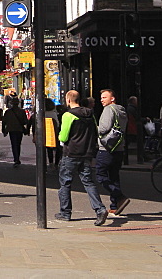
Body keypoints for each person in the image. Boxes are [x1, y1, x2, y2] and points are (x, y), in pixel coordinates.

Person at [55, 89, 107, 226]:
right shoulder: (90, 114)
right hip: (86, 153)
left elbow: (63, 136)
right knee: (88, 182)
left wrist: (59, 137)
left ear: (68, 100)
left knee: (65, 183)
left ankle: (65, 213)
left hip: (71, 153)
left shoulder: (68, 115)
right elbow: (95, 132)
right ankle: (100, 209)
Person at [96, 89, 130, 215]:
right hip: (119, 147)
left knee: (100, 175)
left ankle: (120, 196)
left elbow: (104, 128)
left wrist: (96, 128)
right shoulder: (122, 111)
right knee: (114, 176)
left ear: (112, 99)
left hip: (107, 148)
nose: (102, 99)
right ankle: (115, 205)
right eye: (101, 97)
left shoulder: (109, 109)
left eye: (105, 97)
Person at [2, 99, 29, 166]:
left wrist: (4, 130)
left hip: (11, 129)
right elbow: (25, 121)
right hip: (19, 129)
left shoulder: (8, 112)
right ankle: (17, 158)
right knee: (18, 144)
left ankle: (16, 158)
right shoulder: (22, 111)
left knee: (14, 144)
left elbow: (4, 121)